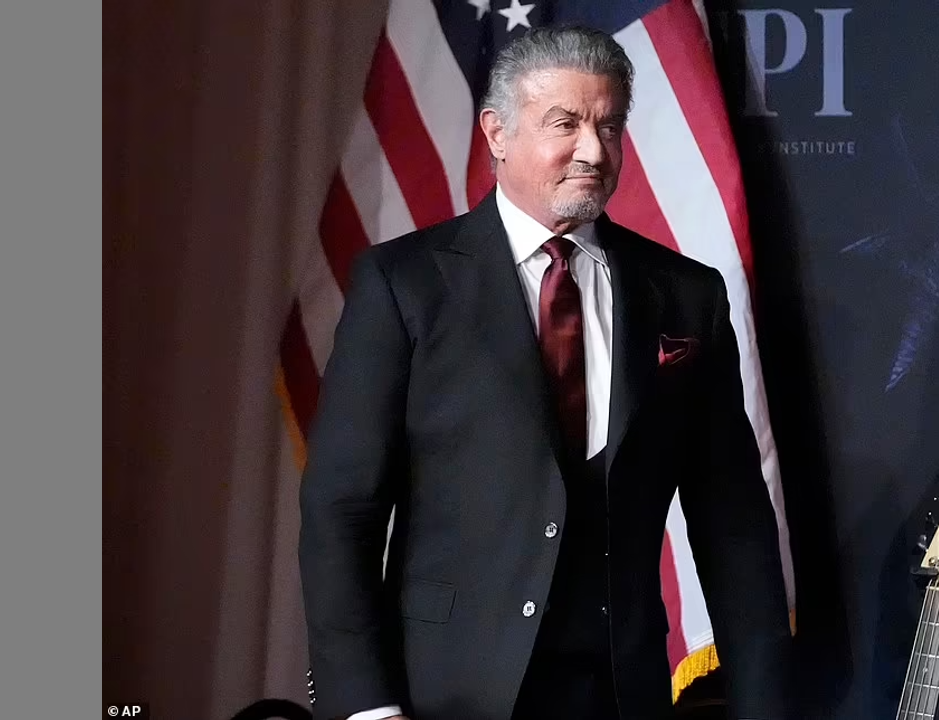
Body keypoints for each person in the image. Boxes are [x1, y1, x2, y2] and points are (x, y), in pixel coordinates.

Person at [297, 24, 793, 720]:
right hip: (444, 696)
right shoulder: (404, 285)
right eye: (566, 124)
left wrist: (764, 705)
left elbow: (733, 522)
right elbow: (342, 508)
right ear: (497, 133)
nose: (594, 150)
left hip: (620, 694)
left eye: (609, 126)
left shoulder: (687, 295)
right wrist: (364, 706)